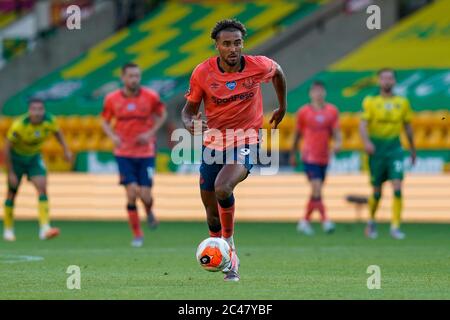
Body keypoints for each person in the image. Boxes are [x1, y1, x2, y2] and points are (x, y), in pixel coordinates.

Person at [181, 19, 287, 281]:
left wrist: (282, 106)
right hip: (213, 143)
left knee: (223, 187)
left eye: (237, 43)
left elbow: (279, 73)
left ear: (243, 44)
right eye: (226, 44)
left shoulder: (258, 65)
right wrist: (189, 123)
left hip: (246, 139)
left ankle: (229, 248)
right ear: (217, 46)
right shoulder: (202, 73)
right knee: (210, 213)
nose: (232, 48)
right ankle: (221, 247)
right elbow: (188, 111)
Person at [102, 62, 167, 247]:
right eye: (130, 76)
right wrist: (113, 136)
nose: (134, 79)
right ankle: (137, 234)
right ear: (123, 78)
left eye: (137, 76)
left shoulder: (151, 96)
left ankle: (149, 210)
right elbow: (105, 121)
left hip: (146, 152)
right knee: (131, 193)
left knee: (145, 195)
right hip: (123, 152)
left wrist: (150, 133)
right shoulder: (112, 99)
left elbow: (162, 114)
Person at [3, 98, 72, 241]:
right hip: (16, 159)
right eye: (34, 109)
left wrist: (66, 150)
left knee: (42, 188)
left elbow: (57, 133)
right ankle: (8, 229)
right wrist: (10, 172)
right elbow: (6, 148)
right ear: (29, 111)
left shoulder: (50, 120)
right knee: (12, 193)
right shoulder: (19, 125)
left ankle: (44, 228)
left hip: (34, 158)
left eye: (40, 109)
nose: (38, 112)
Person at [360, 68, 416, 240]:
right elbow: (362, 124)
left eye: (390, 78)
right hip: (377, 151)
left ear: (394, 81)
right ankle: (371, 221)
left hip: (395, 150)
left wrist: (413, 149)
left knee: (397, 187)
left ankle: (395, 226)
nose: (387, 81)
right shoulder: (370, 101)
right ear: (379, 81)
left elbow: (407, 126)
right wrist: (367, 142)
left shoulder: (403, 102)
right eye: (384, 78)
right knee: (377, 191)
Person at [289, 81, 341, 235]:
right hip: (309, 156)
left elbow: (336, 132)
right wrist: (293, 154)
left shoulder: (332, 111)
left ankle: (304, 221)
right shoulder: (303, 112)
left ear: (324, 93)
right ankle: (326, 221)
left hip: (324, 157)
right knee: (317, 188)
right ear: (310, 94)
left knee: (315, 192)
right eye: (315, 91)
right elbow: (297, 135)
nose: (318, 94)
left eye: (321, 91)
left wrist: (338, 143)